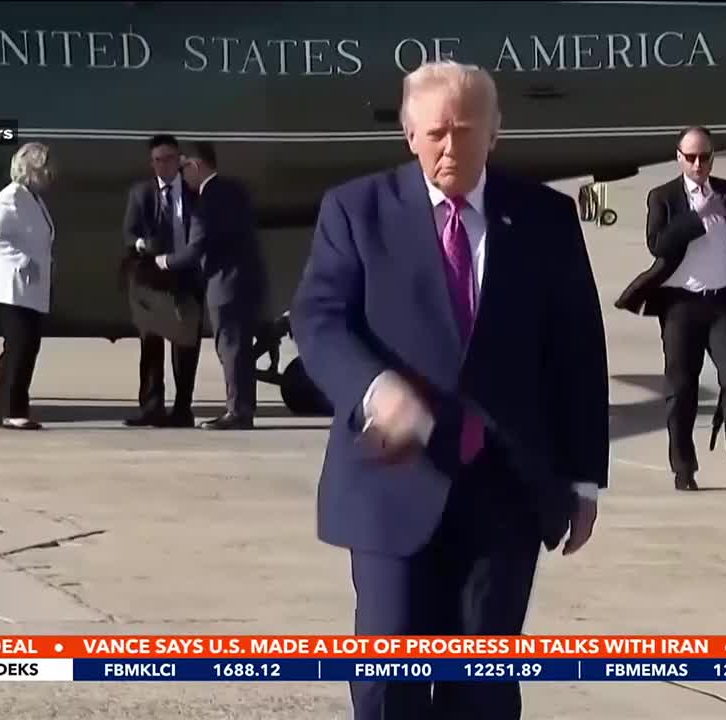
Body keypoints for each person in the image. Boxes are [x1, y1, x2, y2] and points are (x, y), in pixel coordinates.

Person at [291, 60, 609, 720]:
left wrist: (583, 479)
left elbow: (576, 350)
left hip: (506, 489)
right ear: (409, 134)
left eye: (466, 129)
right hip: (391, 482)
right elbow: (318, 320)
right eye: (435, 131)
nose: (450, 145)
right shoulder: (357, 211)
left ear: (495, 133)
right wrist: (375, 389)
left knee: (483, 685)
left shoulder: (544, 219)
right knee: (388, 679)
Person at [614, 126, 726, 491]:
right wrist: (698, 214)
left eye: (704, 157)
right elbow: (659, 246)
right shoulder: (663, 196)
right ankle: (683, 467)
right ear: (679, 158)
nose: (698, 164)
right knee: (681, 388)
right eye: (691, 157)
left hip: (723, 303)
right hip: (680, 305)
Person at [155, 141, 266, 430]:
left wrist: (164, 261)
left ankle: (238, 412)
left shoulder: (207, 201)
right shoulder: (235, 191)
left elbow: (194, 250)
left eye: (183, 168)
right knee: (239, 348)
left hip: (225, 284)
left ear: (195, 165)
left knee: (230, 348)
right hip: (245, 280)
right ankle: (243, 407)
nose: (182, 176)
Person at [122, 134, 202, 428]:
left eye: (168, 159)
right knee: (151, 344)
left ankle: (183, 409)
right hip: (152, 279)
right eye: (157, 161)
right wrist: (145, 245)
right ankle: (151, 407)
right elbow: (129, 235)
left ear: (179, 160)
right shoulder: (141, 193)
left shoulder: (194, 193)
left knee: (186, 346)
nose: (163, 166)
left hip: (187, 276)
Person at [0, 142, 56, 431]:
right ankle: (14, 410)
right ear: (31, 170)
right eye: (45, 168)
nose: (50, 174)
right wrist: (21, 260)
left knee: (17, 348)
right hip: (13, 286)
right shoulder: (10, 197)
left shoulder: (32, 198)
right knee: (21, 347)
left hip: (29, 288)